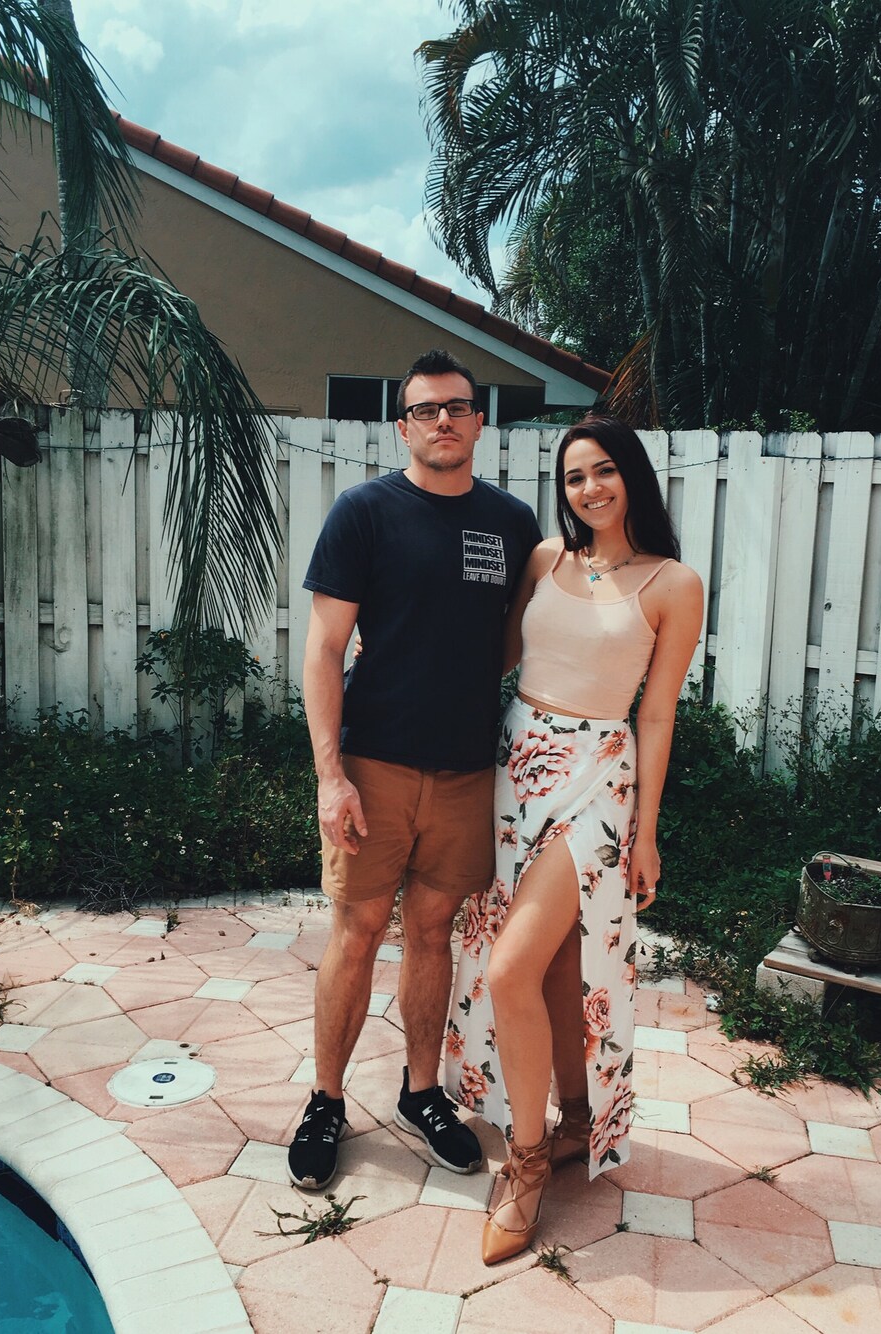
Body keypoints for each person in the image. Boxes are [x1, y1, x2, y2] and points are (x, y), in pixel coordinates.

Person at [444, 416, 704, 1264]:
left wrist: (648, 831)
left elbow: (656, 715)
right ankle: (577, 1118)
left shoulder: (672, 583)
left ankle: (525, 1166)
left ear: (632, 477)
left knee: (510, 967)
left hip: (597, 780)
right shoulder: (545, 560)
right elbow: (496, 655)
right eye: (574, 477)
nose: (589, 489)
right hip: (515, 766)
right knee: (553, 967)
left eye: (603, 471)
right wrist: (400, 646)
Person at [287, 348, 543, 1191]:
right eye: (426, 409)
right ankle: (326, 1101)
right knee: (358, 929)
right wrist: (331, 776)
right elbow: (323, 651)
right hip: (374, 766)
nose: (443, 421)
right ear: (403, 427)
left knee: (433, 931)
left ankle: (421, 1093)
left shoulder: (511, 524)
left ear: (479, 421)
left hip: (466, 772)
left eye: (457, 407)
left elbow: (514, 638)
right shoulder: (364, 513)